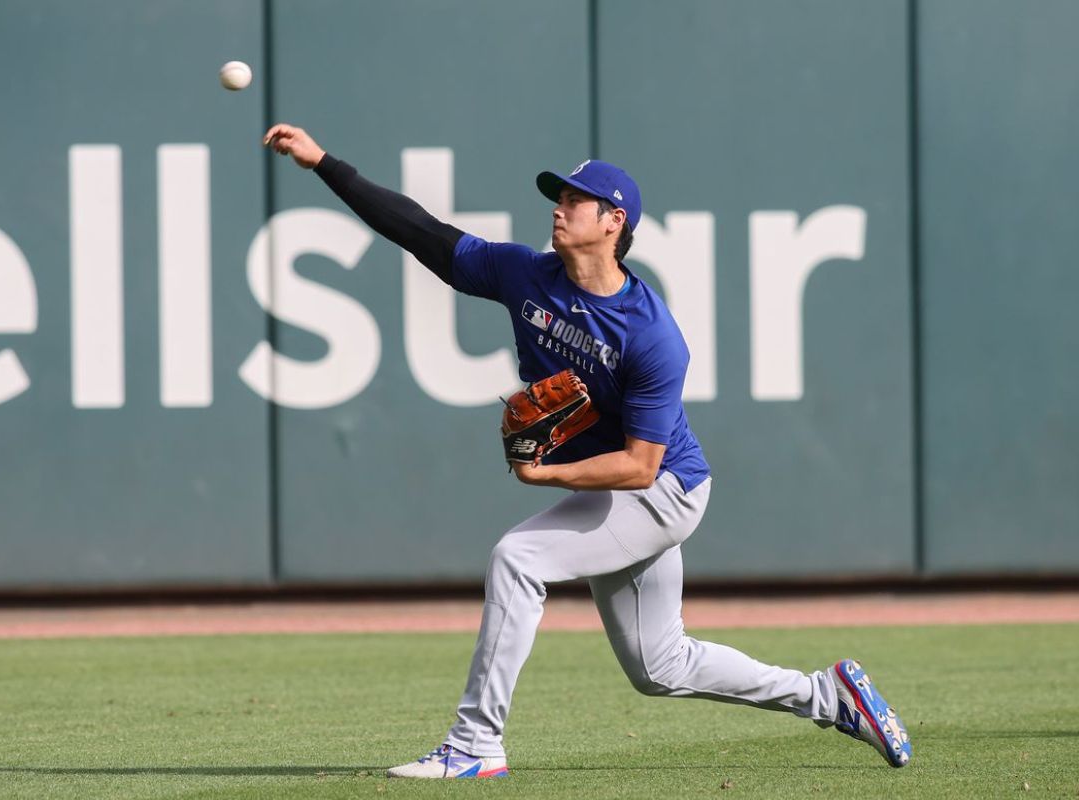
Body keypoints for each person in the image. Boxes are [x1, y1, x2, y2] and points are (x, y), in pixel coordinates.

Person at [263, 123, 913, 779]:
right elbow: (419, 231)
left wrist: (545, 473)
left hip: (661, 490)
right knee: (660, 666)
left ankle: (475, 744)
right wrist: (325, 164)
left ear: (613, 222)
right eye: (560, 196)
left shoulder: (651, 336)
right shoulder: (525, 275)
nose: (560, 207)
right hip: (615, 489)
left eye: (576, 199)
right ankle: (828, 696)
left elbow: (640, 465)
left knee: (518, 559)